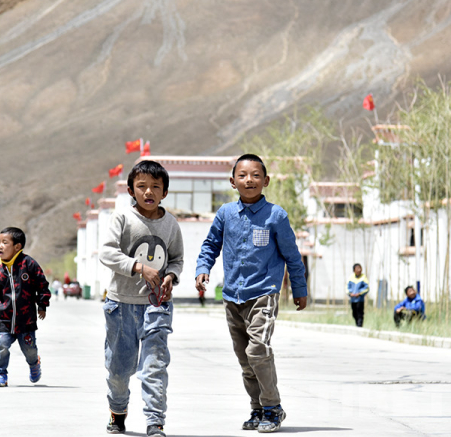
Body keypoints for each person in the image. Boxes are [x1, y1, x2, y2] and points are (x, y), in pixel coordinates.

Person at [195, 154, 307, 434]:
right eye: (242, 175)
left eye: (256, 175)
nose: (249, 180)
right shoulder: (225, 214)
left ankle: (273, 406)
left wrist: (299, 288)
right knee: (245, 360)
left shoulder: (276, 216)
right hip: (232, 296)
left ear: (265, 181)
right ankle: (257, 408)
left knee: (257, 350)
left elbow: (292, 256)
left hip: (263, 293)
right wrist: (202, 268)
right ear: (232, 182)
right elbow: (210, 245)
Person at [99, 160, 184, 437]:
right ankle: (118, 410)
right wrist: (138, 267)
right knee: (119, 369)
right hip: (120, 306)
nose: (149, 192)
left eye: (156, 187)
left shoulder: (171, 224)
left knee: (154, 366)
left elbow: (176, 259)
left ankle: (155, 421)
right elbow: (107, 253)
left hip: (156, 306)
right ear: (131, 190)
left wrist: (171, 276)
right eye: (142, 186)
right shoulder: (122, 218)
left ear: (165, 192)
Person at [0, 227, 50, 387]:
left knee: (29, 350)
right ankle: (1, 374)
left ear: (17, 246)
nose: (0, 246)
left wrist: (42, 304)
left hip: (26, 321)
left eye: (4, 242)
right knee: (2, 346)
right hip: (5, 320)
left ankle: (34, 363)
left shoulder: (29, 265)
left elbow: (42, 285)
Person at [347, 263, 369, 327]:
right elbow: (347, 287)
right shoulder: (351, 278)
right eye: (357, 268)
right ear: (354, 270)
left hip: (360, 299)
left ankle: (359, 326)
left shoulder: (363, 277)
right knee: (354, 314)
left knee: (360, 313)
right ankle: (357, 324)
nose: (359, 270)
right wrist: (350, 293)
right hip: (353, 300)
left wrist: (360, 293)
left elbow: (367, 288)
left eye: (360, 268)